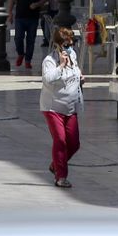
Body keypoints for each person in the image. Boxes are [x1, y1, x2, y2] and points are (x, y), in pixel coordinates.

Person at [40, 26, 84, 188]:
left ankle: (55, 164)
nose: (70, 47)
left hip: (71, 107)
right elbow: (48, 79)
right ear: (58, 45)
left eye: (72, 43)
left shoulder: (73, 55)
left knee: (74, 143)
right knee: (60, 140)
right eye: (66, 45)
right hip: (53, 107)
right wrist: (61, 66)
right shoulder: (49, 61)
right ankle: (61, 176)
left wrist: (80, 77)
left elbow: (75, 71)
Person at [10, 0, 45, 70]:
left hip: (33, 18)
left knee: (31, 40)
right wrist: (10, 13)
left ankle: (28, 60)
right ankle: (20, 53)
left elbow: (42, 0)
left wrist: (36, 4)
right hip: (20, 17)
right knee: (18, 38)